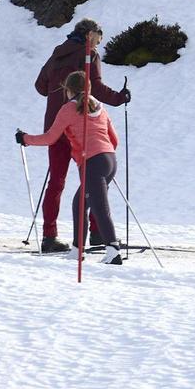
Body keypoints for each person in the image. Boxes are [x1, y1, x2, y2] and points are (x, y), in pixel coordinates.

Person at [32, 18, 128, 254]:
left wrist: (59, 94)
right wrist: (119, 98)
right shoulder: (89, 55)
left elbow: (40, 86)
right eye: (98, 37)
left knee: (56, 181)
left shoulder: (57, 53)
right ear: (89, 34)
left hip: (55, 124)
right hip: (80, 125)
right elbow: (95, 87)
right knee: (94, 179)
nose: (98, 43)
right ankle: (97, 233)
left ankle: (49, 235)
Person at [17, 70, 124, 264]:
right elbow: (114, 139)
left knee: (99, 207)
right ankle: (77, 250)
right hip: (109, 160)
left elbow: (50, 138)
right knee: (80, 204)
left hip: (93, 163)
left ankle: (113, 251)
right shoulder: (99, 106)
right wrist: (103, 157)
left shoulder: (68, 109)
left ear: (68, 90)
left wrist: (25, 139)